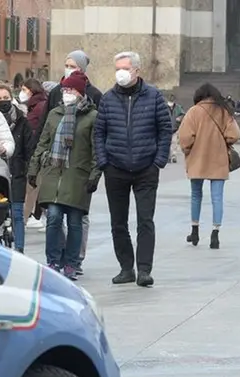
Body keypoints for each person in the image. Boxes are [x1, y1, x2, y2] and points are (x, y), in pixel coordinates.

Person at [94, 51, 171, 287]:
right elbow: (99, 132)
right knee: (118, 222)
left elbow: (165, 129)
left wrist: (159, 160)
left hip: (146, 168)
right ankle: (126, 268)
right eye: (117, 67)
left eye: (125, 68)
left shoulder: (154, 96)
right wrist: (103, 161)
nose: (121, 72)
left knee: (145, 220)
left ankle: (144, 269)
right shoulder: (108, 99)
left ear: (136, 70)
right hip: (115, 168)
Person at [27, 71, 100, 280]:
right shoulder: (54, 114)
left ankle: (71, 262)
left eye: (70, 89)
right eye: (65, 89)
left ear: (80, 92)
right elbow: (43, 143)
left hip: (78, 175)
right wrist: (33, 169)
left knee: (75, 221)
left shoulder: (92, 117)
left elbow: (96, 149)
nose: (66, 93)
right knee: (54, 218)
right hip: (53, 173)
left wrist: (95, 175)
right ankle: (53, 260)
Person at [178, 83, 240, 250]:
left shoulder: (194, 111)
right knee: (217, 197)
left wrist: (188, 150)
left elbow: (185, 137)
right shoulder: (224, 111)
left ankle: (195, 230)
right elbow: (234, 134)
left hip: (197, 158)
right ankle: (215, 233)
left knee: (196, 195)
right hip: (218, 158)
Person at [0, 82, 34, 252]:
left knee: (17, 213)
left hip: (17, 172)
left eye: (6, 98)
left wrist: (28, 171)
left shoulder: (22, 121)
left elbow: (29, 148)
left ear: (12, 99)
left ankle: (19, 250)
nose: (3, 101)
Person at [19, 78, 49, 231]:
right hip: (34, 151)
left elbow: (34, 128)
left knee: (33, 186)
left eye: (24, 89)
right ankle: (32, 216)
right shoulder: (34, 105)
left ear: (32, 90)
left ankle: (28, 217)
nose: (22, 93)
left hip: (35, 152)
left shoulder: (38, 106)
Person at [167, 94, 186, 163]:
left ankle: (173, 156)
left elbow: (183, 114)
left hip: (175, 128)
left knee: (174, 142)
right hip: (166, 128)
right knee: (167, 143)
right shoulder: (164, 107)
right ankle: (168, 157)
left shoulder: (178, 107)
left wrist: (179, 118)